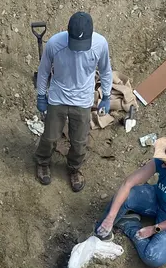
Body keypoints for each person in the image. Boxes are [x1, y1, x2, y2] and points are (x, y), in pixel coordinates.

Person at [95, 137, 166, 268]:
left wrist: (155, 229)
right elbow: (128, 183)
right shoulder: (162, 162)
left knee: (153, 257)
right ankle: (100, 231)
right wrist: (110, 217)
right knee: (126, 196)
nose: (162, 165)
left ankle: (130, 225)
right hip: (156, 197)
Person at [34, 11, 112, 192]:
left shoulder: (100, 45)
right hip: (58, 97)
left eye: (82, 45)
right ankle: (43, 162)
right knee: (50, 136)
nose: (77, 49)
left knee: (79, 141)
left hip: (83, 100)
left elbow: (106, 70)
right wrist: (41, 95)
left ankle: (74, 168)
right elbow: (44, 70)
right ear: (67, 33)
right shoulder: (55, 44)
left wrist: (106, 96)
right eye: (75, 44)